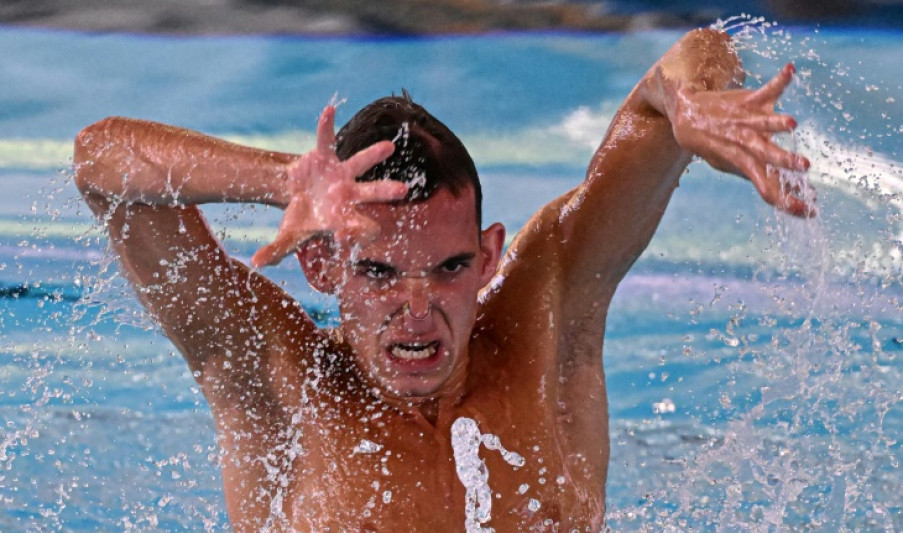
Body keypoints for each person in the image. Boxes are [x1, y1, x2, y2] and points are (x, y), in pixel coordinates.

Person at [73, 28, 811, 532]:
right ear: (323, 264)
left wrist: (692, 103)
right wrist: (279, 181)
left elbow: (687, 58)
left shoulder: (547, 322)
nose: (417, 310)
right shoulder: (274, 377)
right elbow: (100, 160)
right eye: (380, 271)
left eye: (450, 268)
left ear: (490, 254)